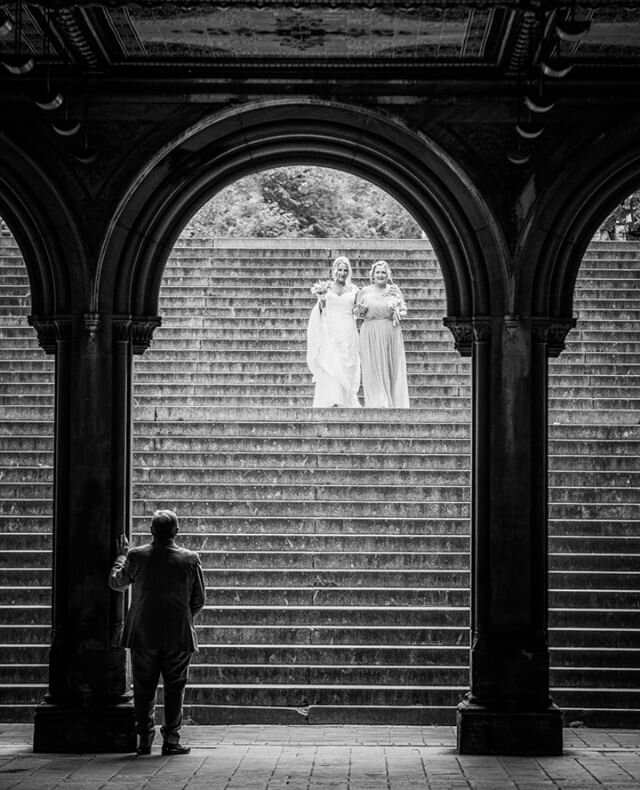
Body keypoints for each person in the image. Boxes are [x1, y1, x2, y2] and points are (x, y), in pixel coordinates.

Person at [109, 509, 206, 756]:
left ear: (152, 531)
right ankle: (171, 739)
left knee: (143, 688)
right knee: (175, 687)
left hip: (143, 633)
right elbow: (198, 600)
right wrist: (181, 619)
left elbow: (116, 583)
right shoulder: (190, 559)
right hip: (178, 635)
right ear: (176, 531)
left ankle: (144, 740)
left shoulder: (137, 556)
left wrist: (120, 557)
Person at [306, 255, 361, 407]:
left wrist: (360, 310)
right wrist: (322, 301)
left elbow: (356, 311)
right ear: (334, 270)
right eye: (339, 269)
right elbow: (322, 308)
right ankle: (331, 399)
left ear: (348, 271)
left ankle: (345, 399)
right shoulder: (326, 287)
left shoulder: (354, 289)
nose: (342, 273)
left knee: (346, 363)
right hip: (330, 328)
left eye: (345, 270)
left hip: (348, 329)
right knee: (330, 362)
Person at [356, 259, 410, 408]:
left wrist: (398, 311)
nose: (380, 275)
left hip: (390, 331)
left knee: (390, 366)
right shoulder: (364, 291)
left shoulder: (394, 290)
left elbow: (404, 310)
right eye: (377, 272)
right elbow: (357, 312)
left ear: (388, 275)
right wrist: (361, 310)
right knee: (373, 367)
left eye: (383, 272)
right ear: (372, 275)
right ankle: (377, 401)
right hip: (370, 331)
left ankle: (391, 399)